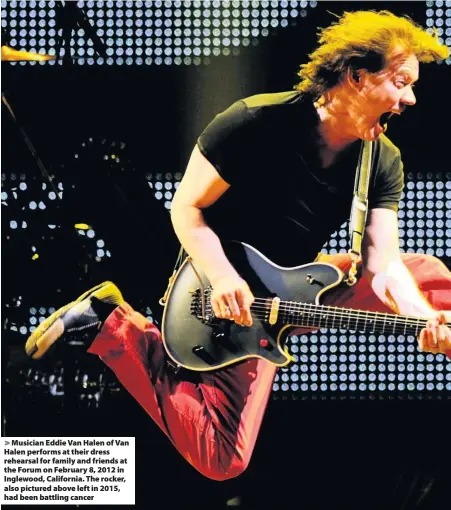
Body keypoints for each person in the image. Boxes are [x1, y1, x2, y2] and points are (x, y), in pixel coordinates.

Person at [25, 11, 451, 481]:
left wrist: (422, 320)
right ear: (356, 76)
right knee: (222, 459)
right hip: (220, 290)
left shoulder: (382, 160)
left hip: (294, 286)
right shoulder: (255, 122)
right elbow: (185, 208)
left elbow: (384, 265)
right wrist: (224, 276)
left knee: (429, 280)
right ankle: (113, 324)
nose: (410, 98)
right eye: (401, 82)